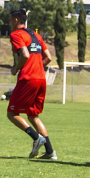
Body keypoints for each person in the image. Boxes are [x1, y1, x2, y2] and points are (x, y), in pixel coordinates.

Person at [7, 9, 54, 159]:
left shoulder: (16, 34)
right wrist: (37, 66)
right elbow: (49, 57)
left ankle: (36, 137)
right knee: (33, 116)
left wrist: (16, 68)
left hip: (28, 78)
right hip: (41, 78)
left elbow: (25, 54)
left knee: (12, 113)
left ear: (15, 20)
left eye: (10, 20)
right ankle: (50, 152)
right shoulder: (36, 35)